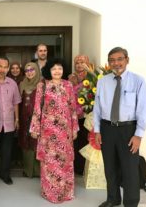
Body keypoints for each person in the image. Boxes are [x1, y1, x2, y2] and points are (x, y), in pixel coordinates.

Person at [94, 47, 146, 207]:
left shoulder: (138, 81)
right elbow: (97, 107)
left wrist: (138, 135)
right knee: (110, 167)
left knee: (130, 168)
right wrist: (97, 130)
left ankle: (131, 202)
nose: (115, 63)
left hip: (128, 130)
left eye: (119, 59)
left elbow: (143, 109)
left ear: (127, 60)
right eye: (112, 60)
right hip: (107, 129)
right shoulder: (103, 82)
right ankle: (113, 198)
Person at [30, 58, 79, 203]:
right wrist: (35, 128)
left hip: (65, 132)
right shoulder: (42, 85)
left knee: (65, 161)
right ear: (48, 71)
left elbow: (73, 108)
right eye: (54, 69)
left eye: (60, 68)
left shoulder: (68, 85)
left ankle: (65, 192)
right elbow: (37, 108)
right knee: (49, 162)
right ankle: (50, 193)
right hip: (48, 132)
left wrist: (74, 128)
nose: (57, 71)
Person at [0, 56, 22, 188]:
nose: (2, 69)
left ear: (8, 68)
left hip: (9, 123)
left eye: (5, 67)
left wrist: (17, 119)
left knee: (7, 151)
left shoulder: (12, 83)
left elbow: (16, 103)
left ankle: (5, 175)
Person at [68, 54, 91, 175]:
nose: (79, 65)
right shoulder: (70, 77)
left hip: (87, 116)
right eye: (77, 62)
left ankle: (84, 169)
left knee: (85, 141)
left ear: (87, 63)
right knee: (74, 142)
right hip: (73, 116)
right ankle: (76, 168)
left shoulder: (92, 78)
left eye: (82, 62)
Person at [18, 62, 41, 178]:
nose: (29, 72)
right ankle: (27, 171)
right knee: (25, 143)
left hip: (38, 119)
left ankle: (37, 171)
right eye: (27, 70)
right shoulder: (22, 84)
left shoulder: (42, 84)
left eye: (32, 69)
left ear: (36, 70)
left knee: (36, 144)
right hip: (24, 119)